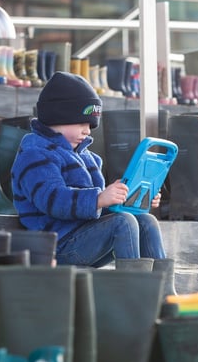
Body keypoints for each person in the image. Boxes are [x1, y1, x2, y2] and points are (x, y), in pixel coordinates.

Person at [11, 71, 166, 267]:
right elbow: (52, 200)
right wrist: (99, 199)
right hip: (56, 247)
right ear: (56, 117)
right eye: (81, 123)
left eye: (90, 125)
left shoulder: (89, 158)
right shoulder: (36, 153)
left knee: (145, 220)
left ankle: (163, 287)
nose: (87, 130)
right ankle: (134, 287)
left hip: (84, 238)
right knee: (123, 222)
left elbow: (97, 211)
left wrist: (130, 198)